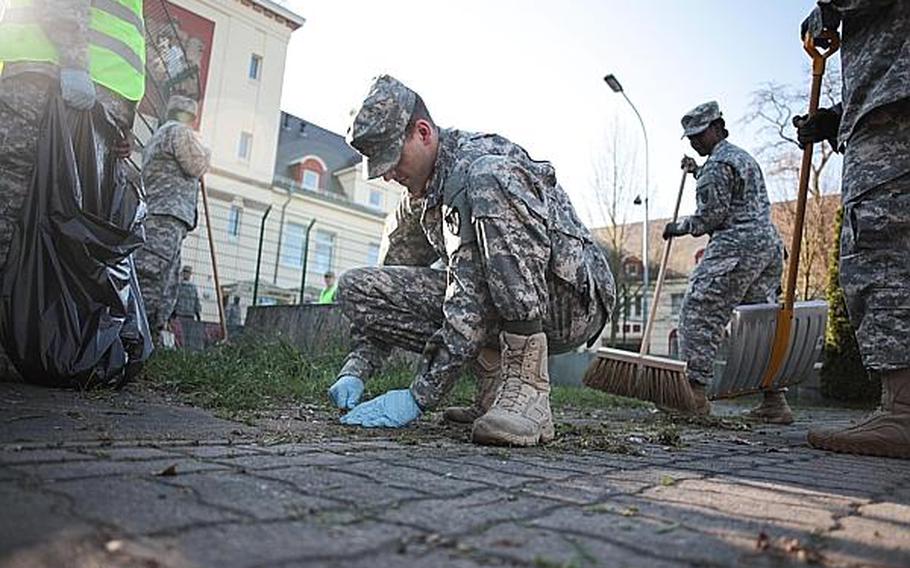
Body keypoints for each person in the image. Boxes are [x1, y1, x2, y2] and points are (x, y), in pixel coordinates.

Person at [325, 75, 615, 446]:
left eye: (392, 158)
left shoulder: (478, 164)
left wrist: (419, 396)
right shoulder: (415, 200)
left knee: (488, 180)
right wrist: (357, 369)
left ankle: (528, 391)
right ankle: (495, 390)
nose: (388, 174)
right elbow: (386, 291)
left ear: (424, 133)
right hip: (492, 301)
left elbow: (469, 301)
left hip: (569, 302)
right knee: (356, 288)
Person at [0, 0, 145, 377]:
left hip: (86, 97)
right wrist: (74, 62)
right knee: (12, 210)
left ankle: (29, 343)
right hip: (49, 80)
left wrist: (124, 118)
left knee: (61, 223)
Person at [796, 0, 910, 458]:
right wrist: (835, 118)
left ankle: (903, 410)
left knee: (882, 247)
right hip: (883, 103)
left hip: (892, 112)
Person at [663, 101, 789, 421]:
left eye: (699, 134)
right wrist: (696, 172)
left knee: (699, 310)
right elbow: (729, 194)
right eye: (690, 137)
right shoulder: (739, 158)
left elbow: (710, 217)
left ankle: (693, 395)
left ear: (718, 127)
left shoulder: (717, 166)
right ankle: (775, 401)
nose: (694, 141)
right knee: (759, 324)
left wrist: (677, 228)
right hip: (768, 249)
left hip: (735, 248)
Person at [133, 95, 210, 339]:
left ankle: (148, 337)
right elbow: (196, 165)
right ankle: (136, 334)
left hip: (163, 213)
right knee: (154, 278)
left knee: (167, 281)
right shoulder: (179, 132)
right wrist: (206, 152)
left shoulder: (160, 135)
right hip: (167, 213)